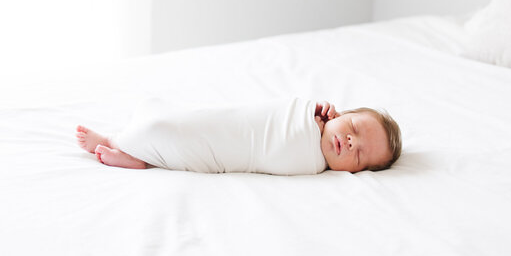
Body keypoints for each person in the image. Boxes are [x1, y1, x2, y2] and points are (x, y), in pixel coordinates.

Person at [75, 98, 401, 175]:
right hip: (227, 126)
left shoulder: (315, 165)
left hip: (227, 152)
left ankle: (131, 153)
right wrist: (311, 112)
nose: (350, 142)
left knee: (182, 149)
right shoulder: (309, 114)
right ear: (339, 113)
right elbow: (275, 112)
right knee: (165, 125)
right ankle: (125, 142)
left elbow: (281, 150)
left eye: (359, 155)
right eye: (354, 129)